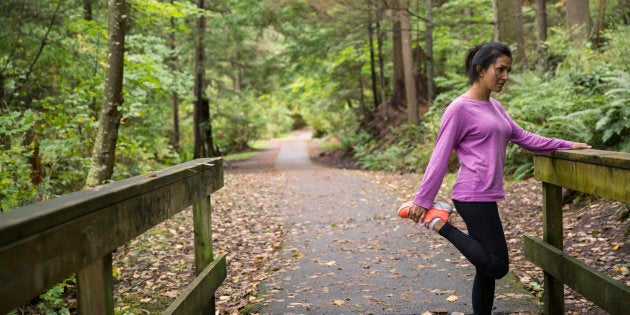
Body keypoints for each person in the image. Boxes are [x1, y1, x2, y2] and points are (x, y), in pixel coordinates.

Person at [403, 42, 591, 315]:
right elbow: (440, 156)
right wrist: (423, 199)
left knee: (486, 269)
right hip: (471, 194)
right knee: (498, 266)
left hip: (486, 195)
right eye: (500, 69)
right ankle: (440, 224)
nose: (505, 76)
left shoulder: (496, 107)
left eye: (508, 70)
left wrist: (566, 144)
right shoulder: (459, 109)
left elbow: (525, 137)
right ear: (480, 69)